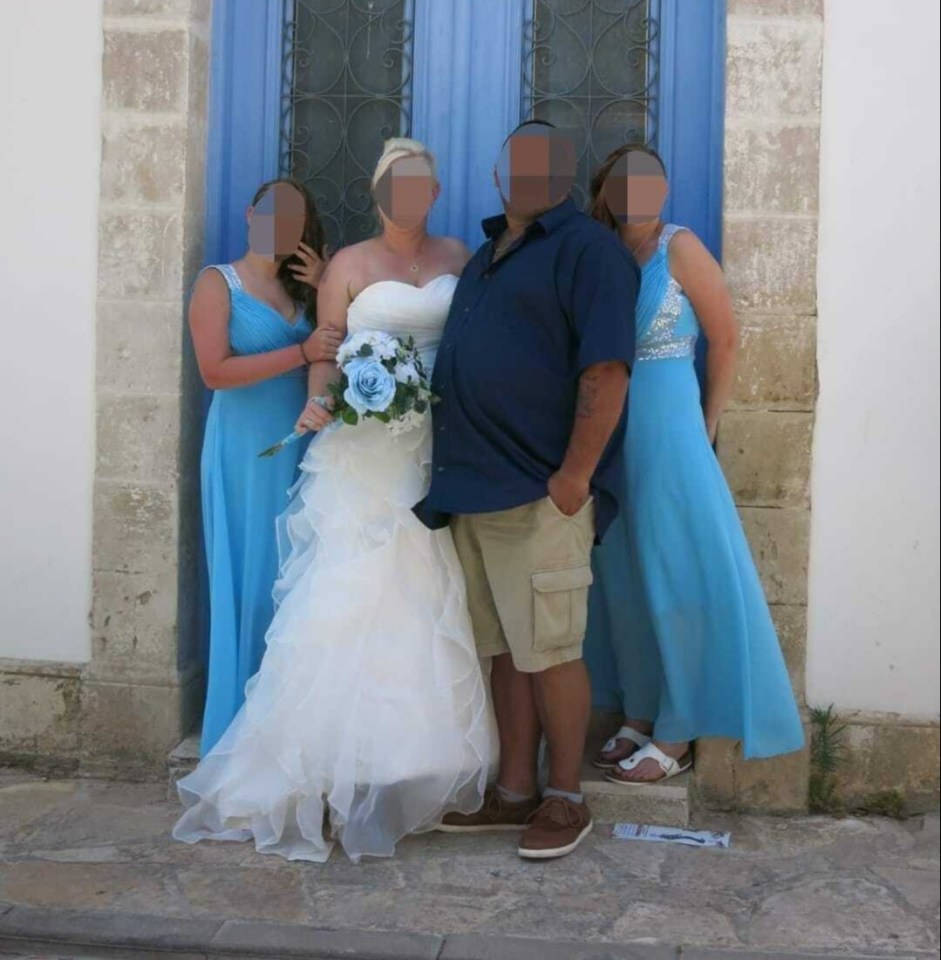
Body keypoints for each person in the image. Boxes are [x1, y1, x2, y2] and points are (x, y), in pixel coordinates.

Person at [174, 139, 496, 863]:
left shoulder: (460, 260)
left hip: (430, 450)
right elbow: (327, 355)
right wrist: (321, 409)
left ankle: (410, 759)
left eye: (420, 184)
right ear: (378, 192)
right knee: (344, 593)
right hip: (363, 452)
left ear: (435, 191)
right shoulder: (345, 266)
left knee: (423, 592)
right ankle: (317, 763)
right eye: (393, 185)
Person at [417, 120, 639, 860]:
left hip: (540, 490)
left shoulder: (590, 251)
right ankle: (513, 793)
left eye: (543, 162)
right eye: (514, 162)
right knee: (504, 652)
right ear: (496, 175)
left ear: (566, 172)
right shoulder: (488, 255)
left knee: (550, 649)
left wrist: (575, 474)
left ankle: (564, 796)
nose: (526, 175)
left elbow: (605, 369)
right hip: (473, 488)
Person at [586, 144, 804, 784]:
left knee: (674, 568)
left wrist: (706, 424)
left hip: (669, 421)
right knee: (621, 572)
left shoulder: (680, 247)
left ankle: (679, 729)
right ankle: (643, 708)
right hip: (609, 423)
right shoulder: (602, 252)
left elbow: (726, 336)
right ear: (605, 192)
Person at [189, 178, 338, 755]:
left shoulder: (302, 292)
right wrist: (301, 353)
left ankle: (287, 728)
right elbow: (214, 373)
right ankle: (236, 733)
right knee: (251, 576)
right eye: (273, 210)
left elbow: (338, 349)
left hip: (303, 446)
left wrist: (326, 286)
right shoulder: (216, 282)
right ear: (252, 213)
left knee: (296, 579)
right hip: (244, 450)